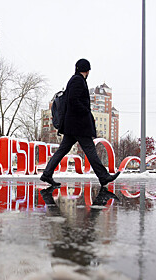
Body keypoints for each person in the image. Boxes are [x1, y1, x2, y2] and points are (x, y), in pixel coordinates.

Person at [40, 59, 120, 187]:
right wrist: (86, 111)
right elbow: (73, 100)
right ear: (87, 70)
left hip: (72, 125)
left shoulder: (75, 80)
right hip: (78, 125)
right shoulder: (78, 81)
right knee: (90, 150)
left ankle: (47, 174)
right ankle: (103, 176)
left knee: (62, 150)